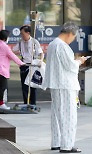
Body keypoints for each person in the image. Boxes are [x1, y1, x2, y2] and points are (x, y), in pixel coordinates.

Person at [43, 22, 87, 153]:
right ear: (69, 34)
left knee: (57, 114)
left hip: (56, 83)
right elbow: (70, 66)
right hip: (65, 84)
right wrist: (79, 61)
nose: (73, 39)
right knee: (68, 115)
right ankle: (67, 145)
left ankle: (56, 142)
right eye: (73, 37)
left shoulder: (52, 44)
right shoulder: (62, 46)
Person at [0, 30, 25, 110]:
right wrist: (21, 63)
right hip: (1, 69)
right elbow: (12, 56)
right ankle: (0, 103)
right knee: (3, 86)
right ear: (6, 37)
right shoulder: (4, 46)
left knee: (1, 85)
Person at [13, 25, 44, 105]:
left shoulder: (34, 42)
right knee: (24, 86)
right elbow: (13, 51)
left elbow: (41, 53)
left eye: (23, 34)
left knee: (32, 86)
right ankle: (26, 103)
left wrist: (40, 61)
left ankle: (33, 104)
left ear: (28, 33)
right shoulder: (20, 42)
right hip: (24, 65)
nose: (21, 35)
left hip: (33, 66)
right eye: (21, 34)